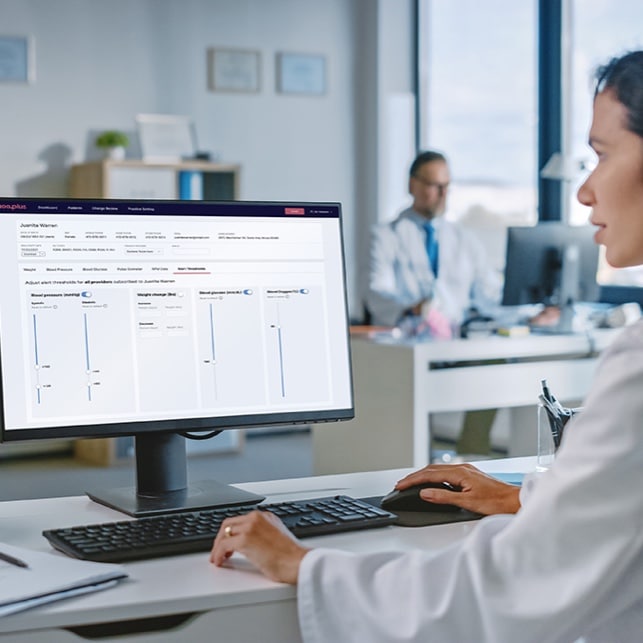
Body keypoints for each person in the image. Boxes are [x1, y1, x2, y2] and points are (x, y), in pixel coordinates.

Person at [210, 50, 643, 642]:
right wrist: (529, 496)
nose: (586, 191)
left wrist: (304, 565)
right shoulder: (387, 234)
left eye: (602, 155)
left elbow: (512, 586)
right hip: (399, 341)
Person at [364, 150, 502, 330]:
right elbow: (376, 293)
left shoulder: (465, 239)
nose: (443, 194)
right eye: (435, 186)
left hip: (456, 340)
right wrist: (411, 309)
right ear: (412, 185)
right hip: (404, 340)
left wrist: (528, 310)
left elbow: (490, 294)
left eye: (446, 186)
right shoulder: (384, 236)